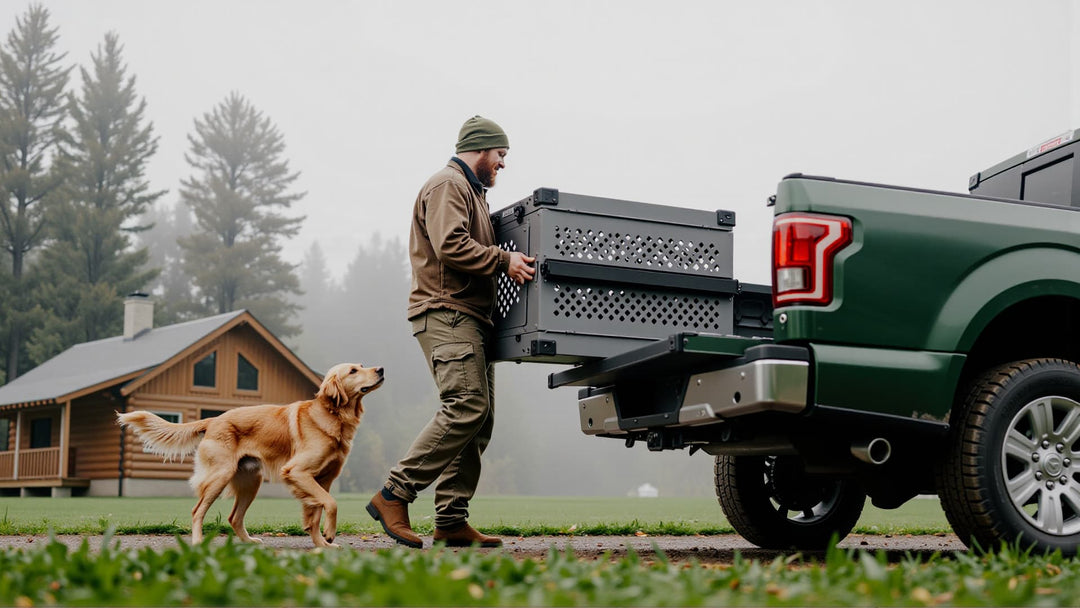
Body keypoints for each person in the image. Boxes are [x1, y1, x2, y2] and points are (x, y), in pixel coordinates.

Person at [367, 116, 535, 548]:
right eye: (500, 155)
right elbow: (449, 244)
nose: (502, 164)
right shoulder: (448, 185)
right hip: (447, 313)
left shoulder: (471, 191)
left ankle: (451, 521)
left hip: (470, 318)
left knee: (479, 420)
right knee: (466, 405)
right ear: (480, 150)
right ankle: (394, 494)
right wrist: (503, 260)